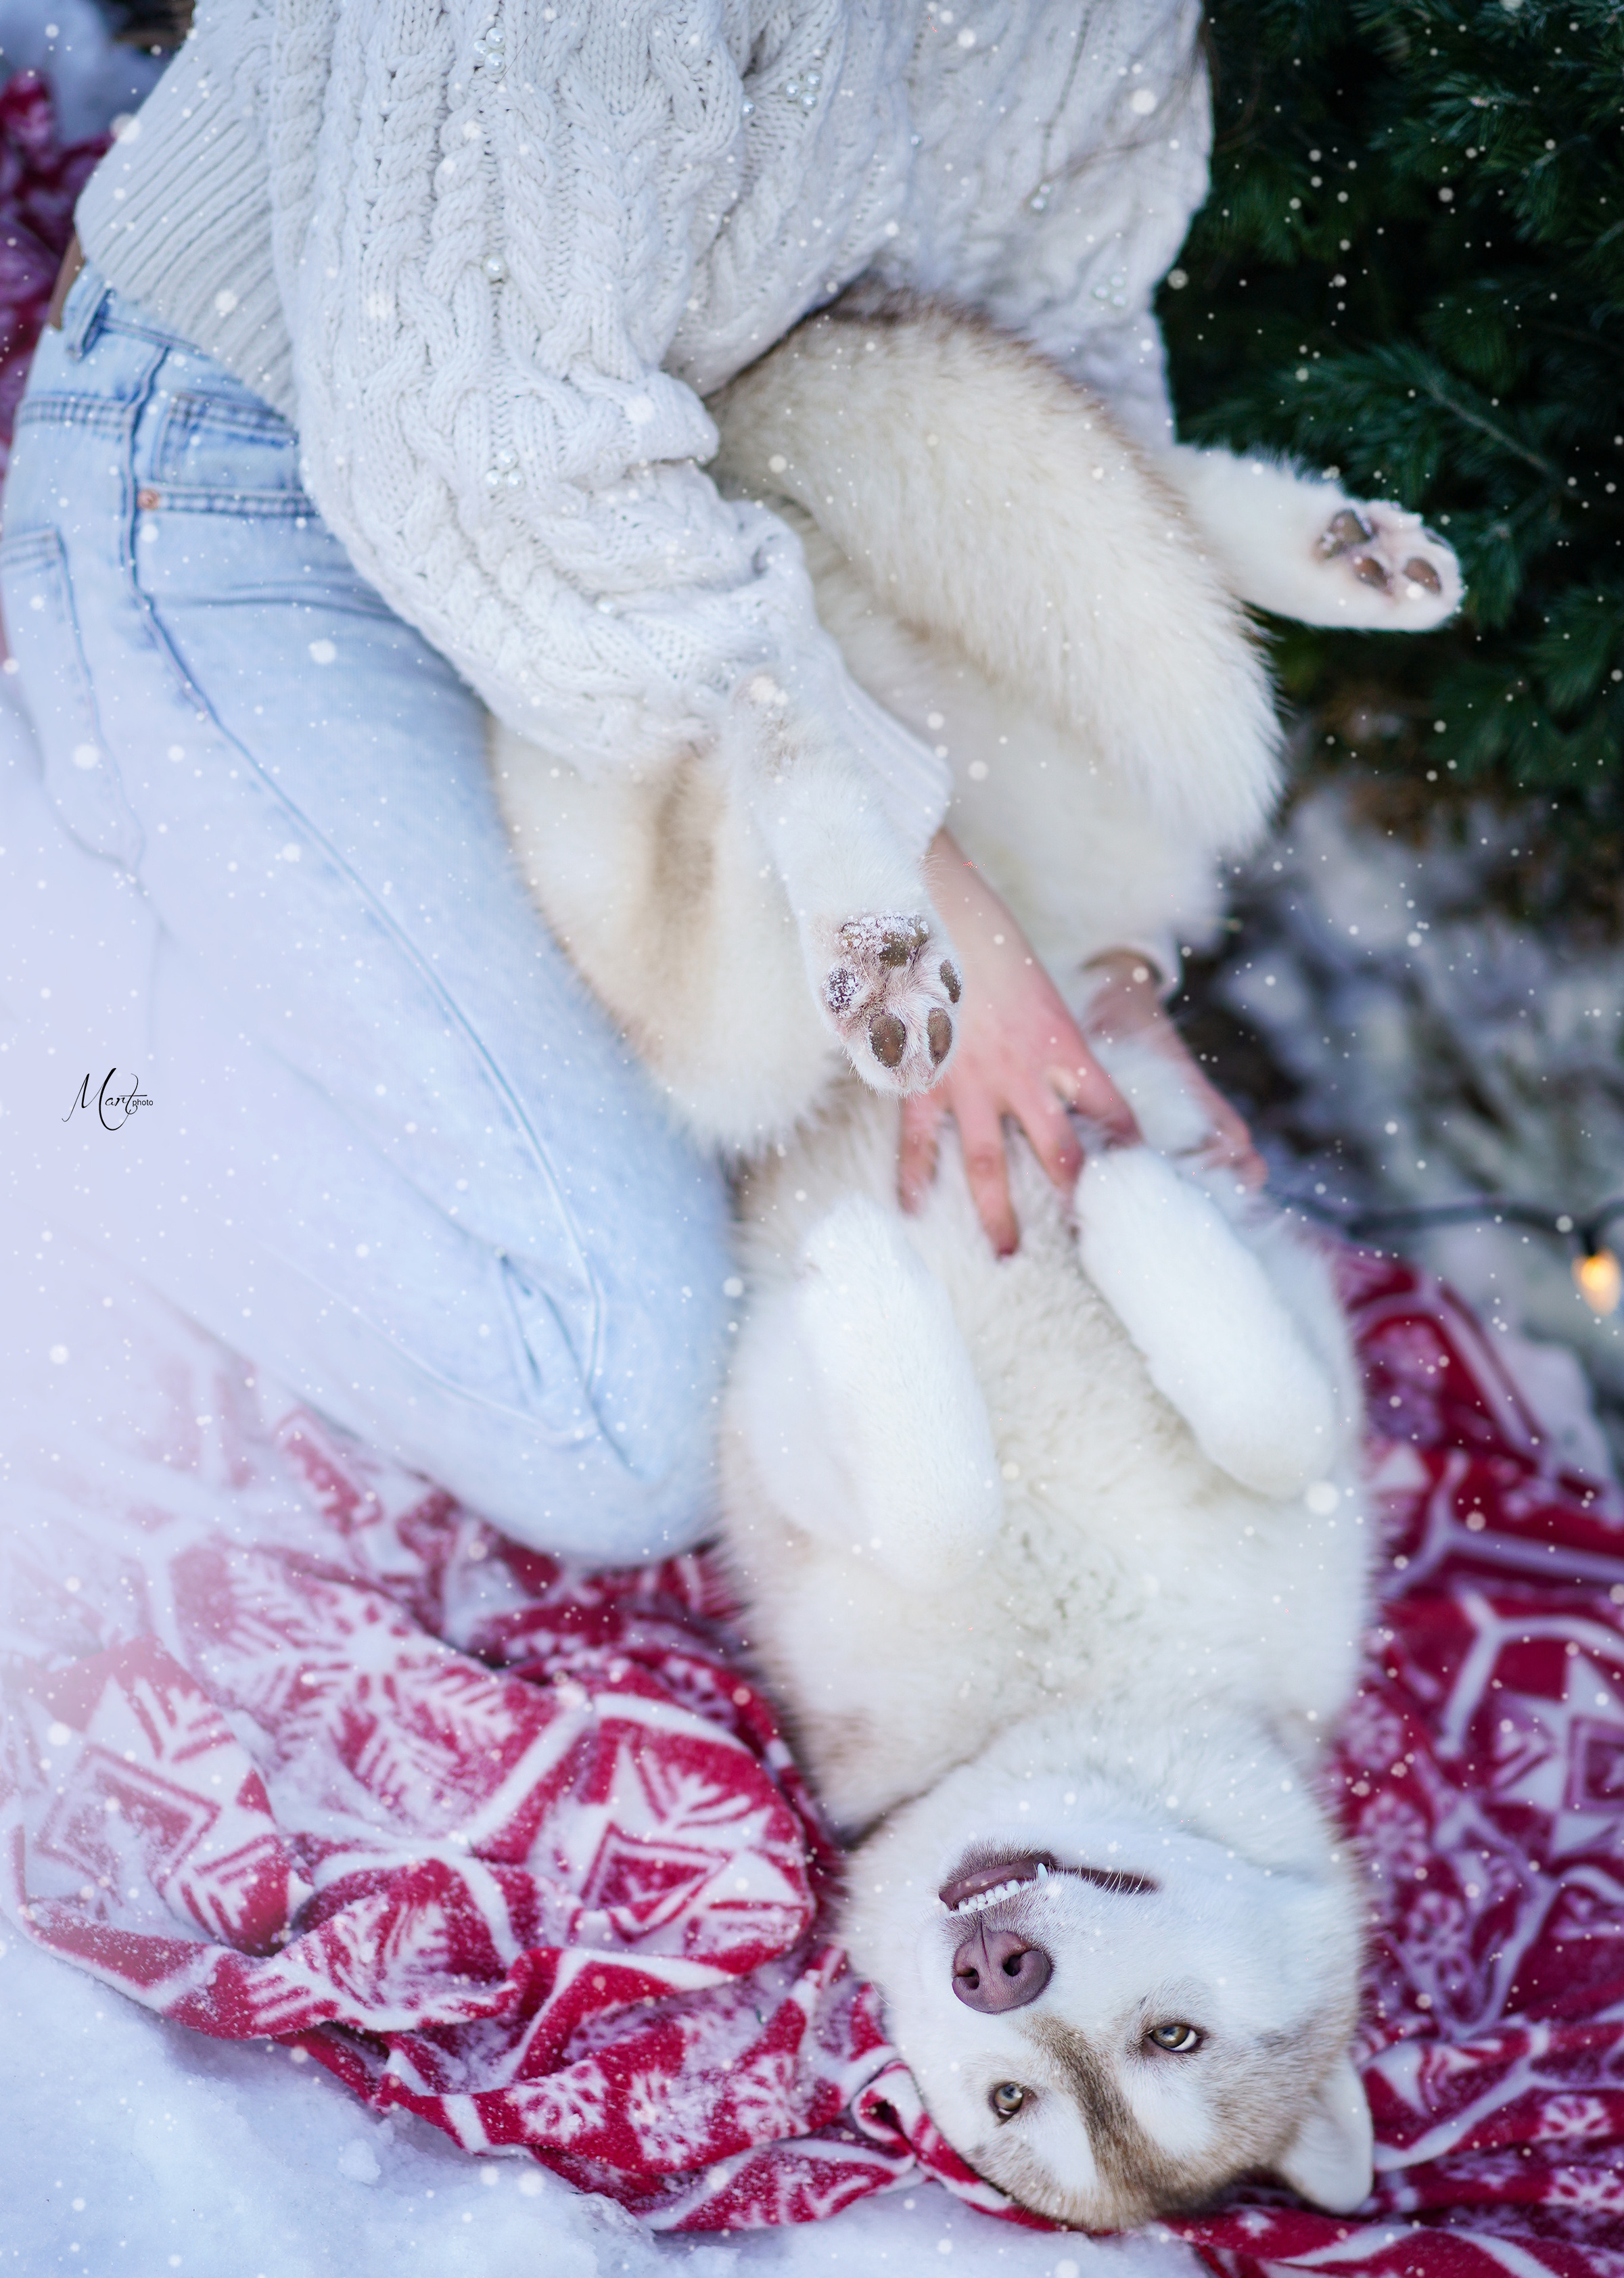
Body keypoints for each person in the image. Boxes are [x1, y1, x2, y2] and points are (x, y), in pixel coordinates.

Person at [0, 0, 1246, 1565]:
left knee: (768, 1212)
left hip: (657, 577)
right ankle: (56, 1042)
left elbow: (1033, 412)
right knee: (612, 1404)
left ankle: (181, 884)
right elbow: (465, 430)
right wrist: (910, 886)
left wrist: (1083, 950)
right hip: (276, 477)